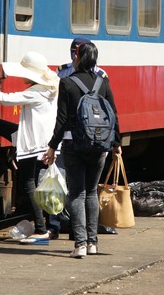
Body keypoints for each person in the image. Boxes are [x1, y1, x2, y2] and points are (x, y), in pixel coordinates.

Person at [43, 42, 121, 258]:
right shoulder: (103, 82)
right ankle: (93, 243)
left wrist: (52, 147)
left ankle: (80, 245)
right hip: (99, 145)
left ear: (77, 57)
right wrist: (116, 144)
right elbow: (113, 114)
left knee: (77, 193)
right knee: (91, 192)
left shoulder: (67, 82)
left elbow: (61, 120)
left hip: (74, 145)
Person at [0, 52, 61, 243]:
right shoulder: (52, 87)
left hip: (33, 144)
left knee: (29, 184)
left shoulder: (36, 91)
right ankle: (50, 228)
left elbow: (5, 99)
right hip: (43, 141)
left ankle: (41, 230)